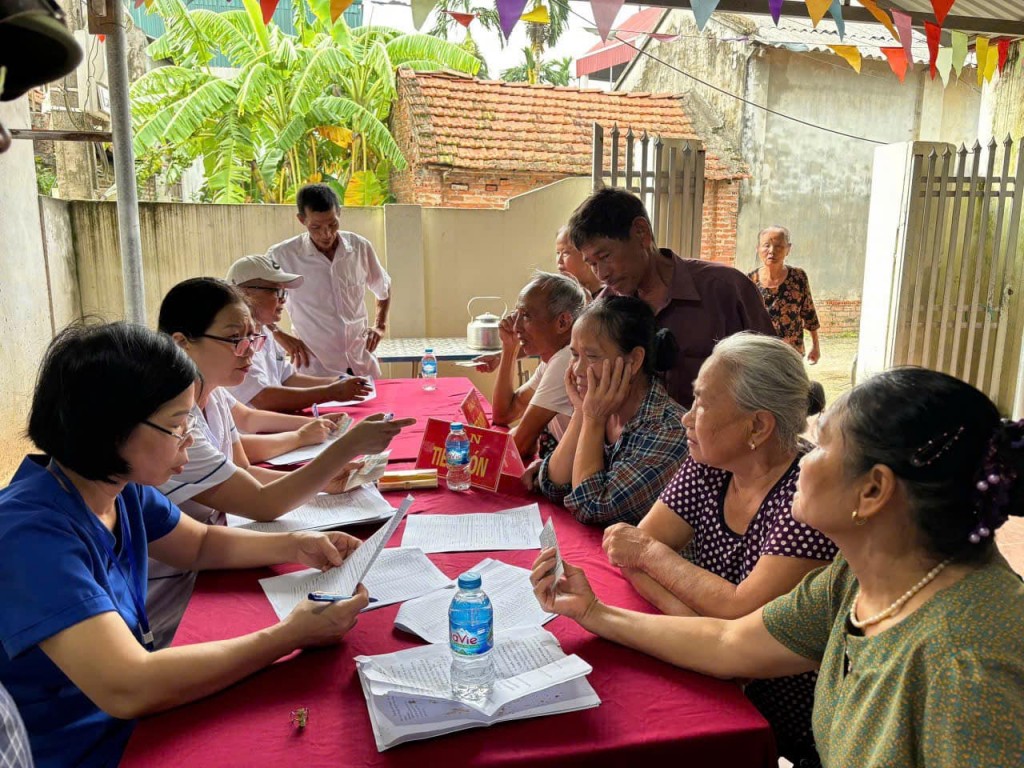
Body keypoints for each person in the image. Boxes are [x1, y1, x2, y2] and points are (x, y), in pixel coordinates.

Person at [532, 367, 1024, 768]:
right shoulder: (857, 579)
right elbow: (731, 644)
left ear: (873, 491)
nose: (805, 458)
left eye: (824, 443)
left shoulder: (970, 664)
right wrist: (595, 613)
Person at [0, 322, 377, 768]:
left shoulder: (117, 487)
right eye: (178, 424)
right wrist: (289, 635)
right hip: (85, 747)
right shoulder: (28, 535)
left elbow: (198, 544)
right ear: (111, 428)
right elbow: (129, 685)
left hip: (139, 720)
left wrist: (296, 545)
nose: (191, 438)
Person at [602, 333, 835, 764]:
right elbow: (626, 554)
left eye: (703, 405)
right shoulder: (710, 463)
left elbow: (741, 609)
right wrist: (697, 626)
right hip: (715, 669)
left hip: (782, 716)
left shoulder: (808, 495)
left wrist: (654, 557)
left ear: (757, 427)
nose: (686, 420)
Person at [150, 277, 412, 648]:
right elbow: (261, 502)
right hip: (170, 594)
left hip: (204, 559)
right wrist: (344, 448)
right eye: (233, 339)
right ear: (182, 344)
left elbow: (240, 477)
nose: (249, 351)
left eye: (252, 338)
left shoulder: (216, 398)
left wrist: (320, 481)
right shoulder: (174, 425)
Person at [566, 188, 775, 408]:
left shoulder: (725, 290)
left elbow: (773, 376)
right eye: (592, 264)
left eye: (605, 257)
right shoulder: (604, 313)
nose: (601, 274)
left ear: (641, 233)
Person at [536, 295, 688, 526]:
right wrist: (581, 413)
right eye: (575, 355)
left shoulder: (669, 430)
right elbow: (553, 484)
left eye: (592, 356)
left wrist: (592, 418)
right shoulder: (600, 408)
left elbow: (590, 507)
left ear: (634, 361)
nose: (578, 369)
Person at [265, 184, 391, 378]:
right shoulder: (283, 256)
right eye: (316, 227)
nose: (326, 234)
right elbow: (253, 301)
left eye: (332, 224)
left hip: (362, 365)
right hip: (316, 371)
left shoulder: (359, 247)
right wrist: (277, 334)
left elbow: (383, 286)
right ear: (302, 220)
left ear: (339, 213)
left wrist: (380, 326)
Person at [226, 254, 372, 411]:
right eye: (277, 292)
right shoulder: (232, 340)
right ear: (245, 293)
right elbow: (262, 398)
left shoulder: (264, 331)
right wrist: (331, 392)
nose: (283, 300)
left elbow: (288, 378)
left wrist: (338, 381)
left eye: (285, 293)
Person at [491, 272, 586, 459]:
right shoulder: (553, 357)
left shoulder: (567, 359)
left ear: (562, 322)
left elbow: (521, 445)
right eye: (515, 314)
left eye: (526, 316)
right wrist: (509, 347)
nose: (516, 326)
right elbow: (504, 414)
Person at [747, 226, 821, 363]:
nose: (772, 251)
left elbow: (809, 313)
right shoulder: (750, 281)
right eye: (766, 246)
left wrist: (816, 346)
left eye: (779, 246)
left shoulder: (798, 277)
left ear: (788, 249)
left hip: (791, 354)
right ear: (758, 249)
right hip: (760, 355)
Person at [555, 225, 603, 297]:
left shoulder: (612, 294)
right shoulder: (557, 295)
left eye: (565, 253)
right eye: (558, 253)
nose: (559, 260)